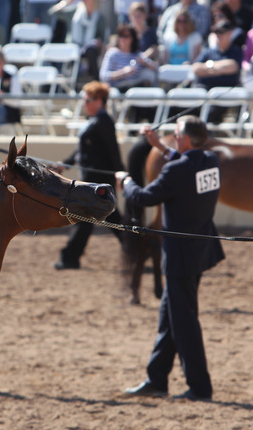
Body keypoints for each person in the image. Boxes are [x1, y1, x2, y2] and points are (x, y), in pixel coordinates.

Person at [117, 116, 224, 401]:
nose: (173, 138)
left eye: (176, 135)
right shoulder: (211, 160)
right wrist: (159, 147)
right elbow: (184, 164)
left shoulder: (177, 170)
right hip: (199, 251)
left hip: (180, 256)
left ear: (186, 139)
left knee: (184, 322)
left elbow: (142, 197)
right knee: (170, 317)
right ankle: (157, 379)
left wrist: (125, 181)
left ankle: (200, 387)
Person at [53, 81, 124, 270]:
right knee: (109, 217)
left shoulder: (104, 121)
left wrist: (120, 172)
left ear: (99, 101)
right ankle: (137, 248)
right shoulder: (94, 120)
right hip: (91, 179)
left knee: (87, 216)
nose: (84, 103)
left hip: (98, 180)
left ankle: (70, 257)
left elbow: (113, 150)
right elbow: (81, 151)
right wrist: (65, 164)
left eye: (88, 100)